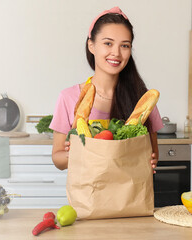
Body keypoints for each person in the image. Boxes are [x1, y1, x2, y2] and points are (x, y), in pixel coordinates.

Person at [49, 7, 163, 172]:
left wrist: (150, 160)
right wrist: (77, 152)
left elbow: (153, 154)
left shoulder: (142, 98)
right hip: (89, 194)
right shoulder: (69, 97)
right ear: (91, 46)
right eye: (108, 43)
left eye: (124, 45)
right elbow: (57, 160)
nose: (116, 53)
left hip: (130, 193)